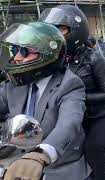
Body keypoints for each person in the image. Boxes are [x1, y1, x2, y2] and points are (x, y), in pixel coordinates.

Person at [39, 5, 105, 180]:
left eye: (60, 28)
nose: (55, 34)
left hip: (100, 119)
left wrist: (77, 99)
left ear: (76, 30)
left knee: (94, 148)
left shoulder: (94, 58)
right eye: (51, 29)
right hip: (68, 119)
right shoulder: (54, 61)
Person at [0, 21, 89, 180]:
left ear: (47, 54)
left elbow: (68, 124)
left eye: (25, 52)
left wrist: (41, 154)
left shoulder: (70, 84)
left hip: (61, 165)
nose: (17, 57)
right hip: (24, 161)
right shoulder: (15, 84)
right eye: (15, 50)